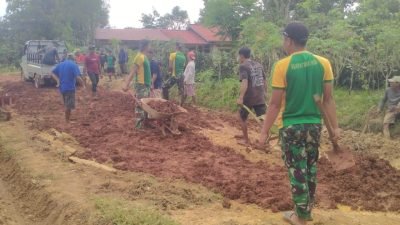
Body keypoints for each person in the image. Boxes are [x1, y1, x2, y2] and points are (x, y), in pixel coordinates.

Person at [257, 22, 339, 225]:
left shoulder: (282, 66)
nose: (283, 42)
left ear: (289, 40)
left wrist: (263, 132)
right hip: (314, 125)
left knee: (297, 171)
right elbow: (328, 100)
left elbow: (275, 104)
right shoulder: (323, 63)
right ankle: (304, 211)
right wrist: (335, 128)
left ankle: (300, 218)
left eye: (284, 39)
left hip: (291, 126)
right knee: (310, 168)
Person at [236, 47, 266, 146]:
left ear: (241, 56)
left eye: (239, 56)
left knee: (241, 117)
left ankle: (246, 141)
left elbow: (245, 82)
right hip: (260, 96)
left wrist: (241, 97)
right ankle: (265, 141)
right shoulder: (259, 65)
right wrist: (265, 93)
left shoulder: (243, 66)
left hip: (249, 97)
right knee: (263, 119)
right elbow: (264, 81)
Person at [123, 40, 151, 129]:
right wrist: (126, 84)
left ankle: (145, 123)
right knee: (140, 105)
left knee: (146, 105)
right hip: (141, 85)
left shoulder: (144, 57)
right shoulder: (139, 56)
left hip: (146, 85)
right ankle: (139, 126)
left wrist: (150, 84)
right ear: (145, 46)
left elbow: (147, 72)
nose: (150, 47)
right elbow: (133, 71)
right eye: (149, 45)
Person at [51, 54, 86, 123]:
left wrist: (58, 80)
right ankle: (67, 121)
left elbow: (52, 73)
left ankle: (67, 119)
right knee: (69, 105)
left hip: (62, 88)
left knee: (67, 104)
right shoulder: (73, 65)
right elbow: (77, 77)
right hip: (69, 88)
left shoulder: (61, 64)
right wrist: (83, 85)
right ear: (73, 59)